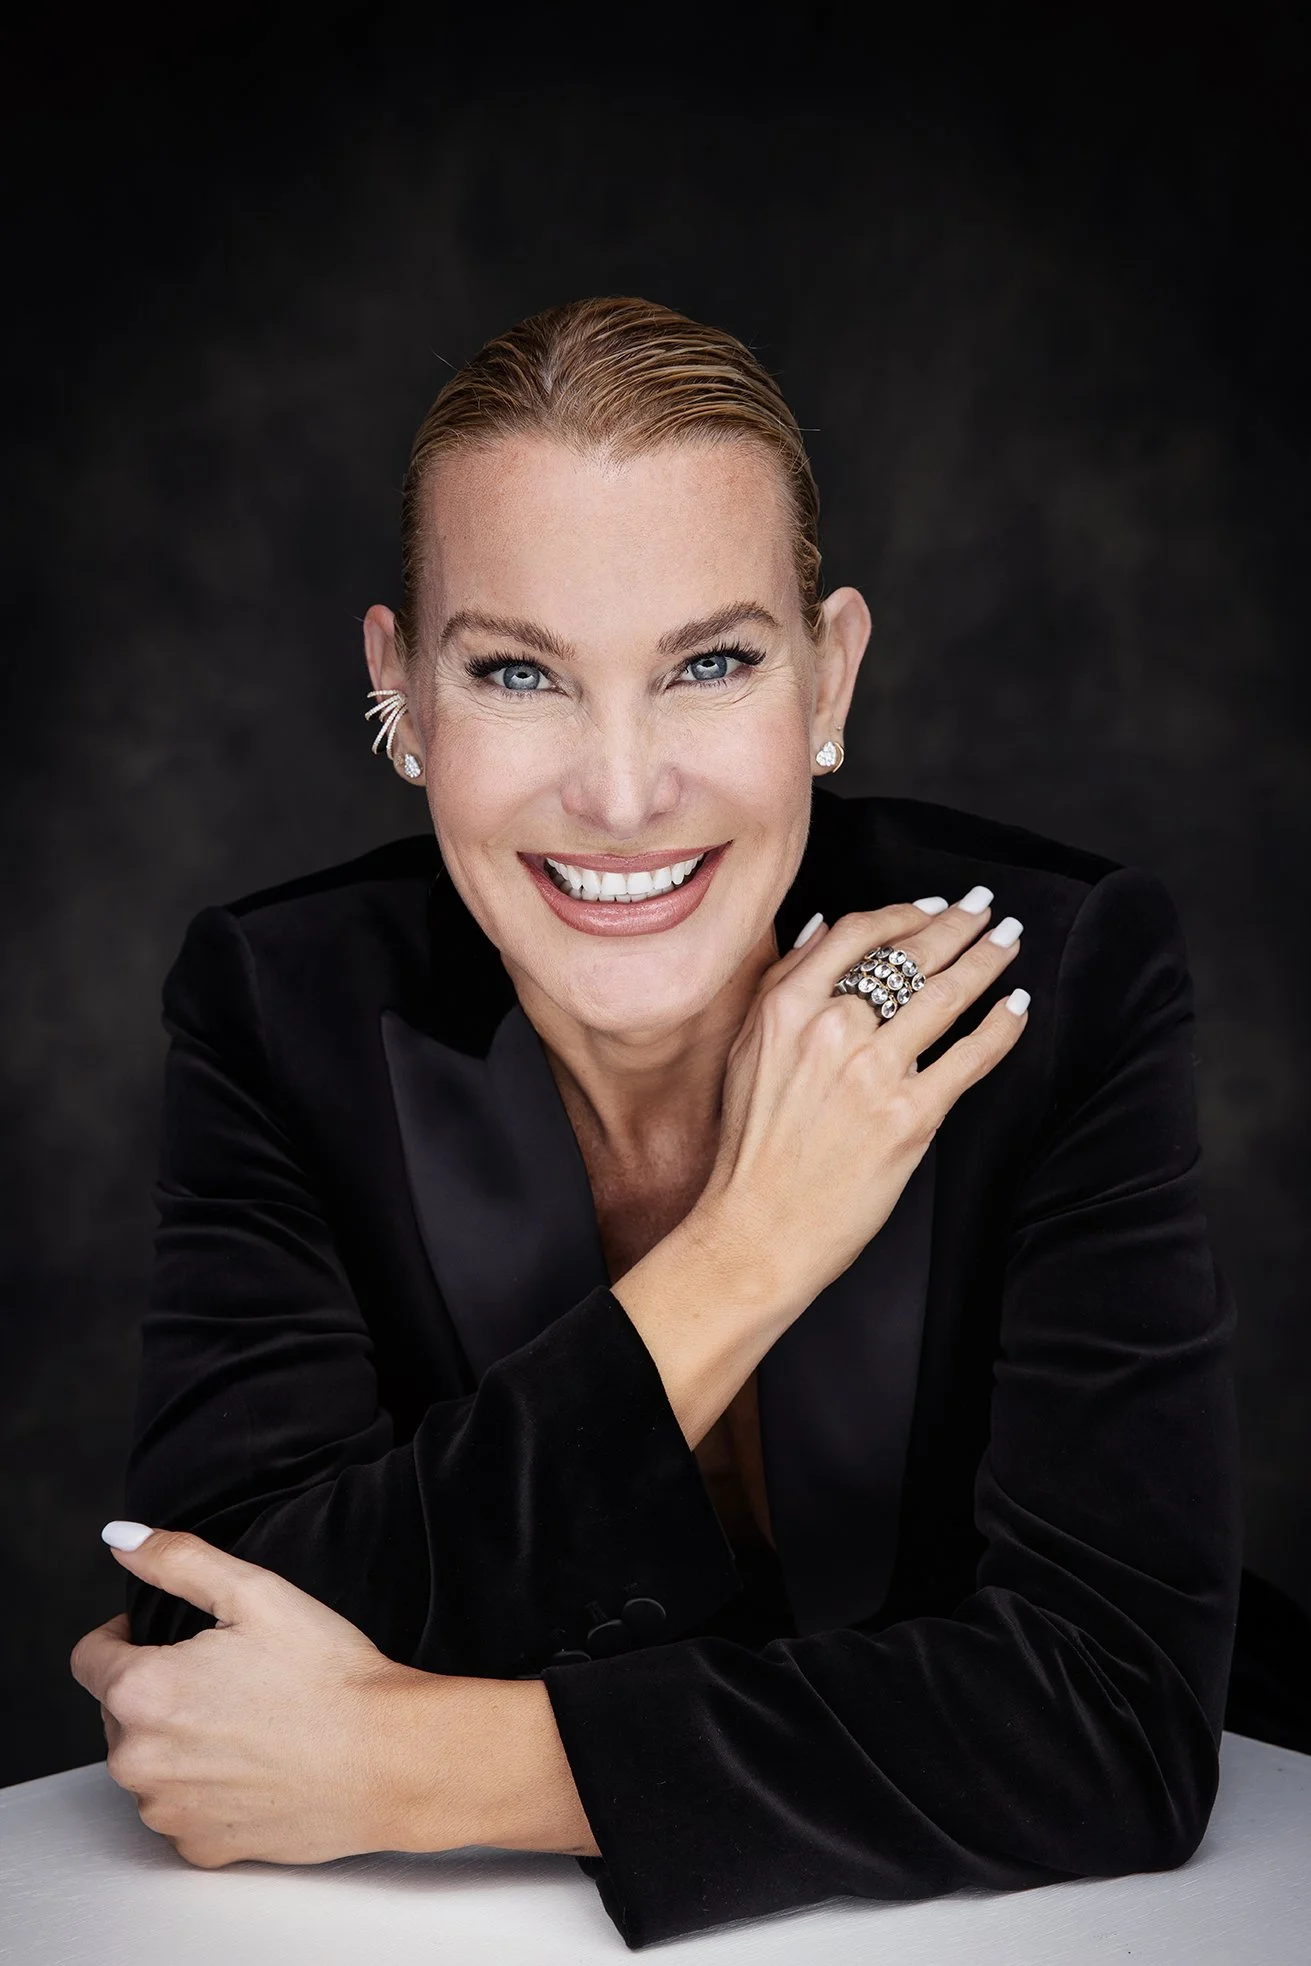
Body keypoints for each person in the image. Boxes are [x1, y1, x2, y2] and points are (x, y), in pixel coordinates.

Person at [69, 296, 1242, 1950]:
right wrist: (745, 1256)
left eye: (708, 662)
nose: (620, 793)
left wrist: (440, 1766)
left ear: (827, 676)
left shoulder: (1051, 982)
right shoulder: (282, 1006)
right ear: (400, 693)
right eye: (516, 671)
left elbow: (1111, 1717)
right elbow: (213, 1659)